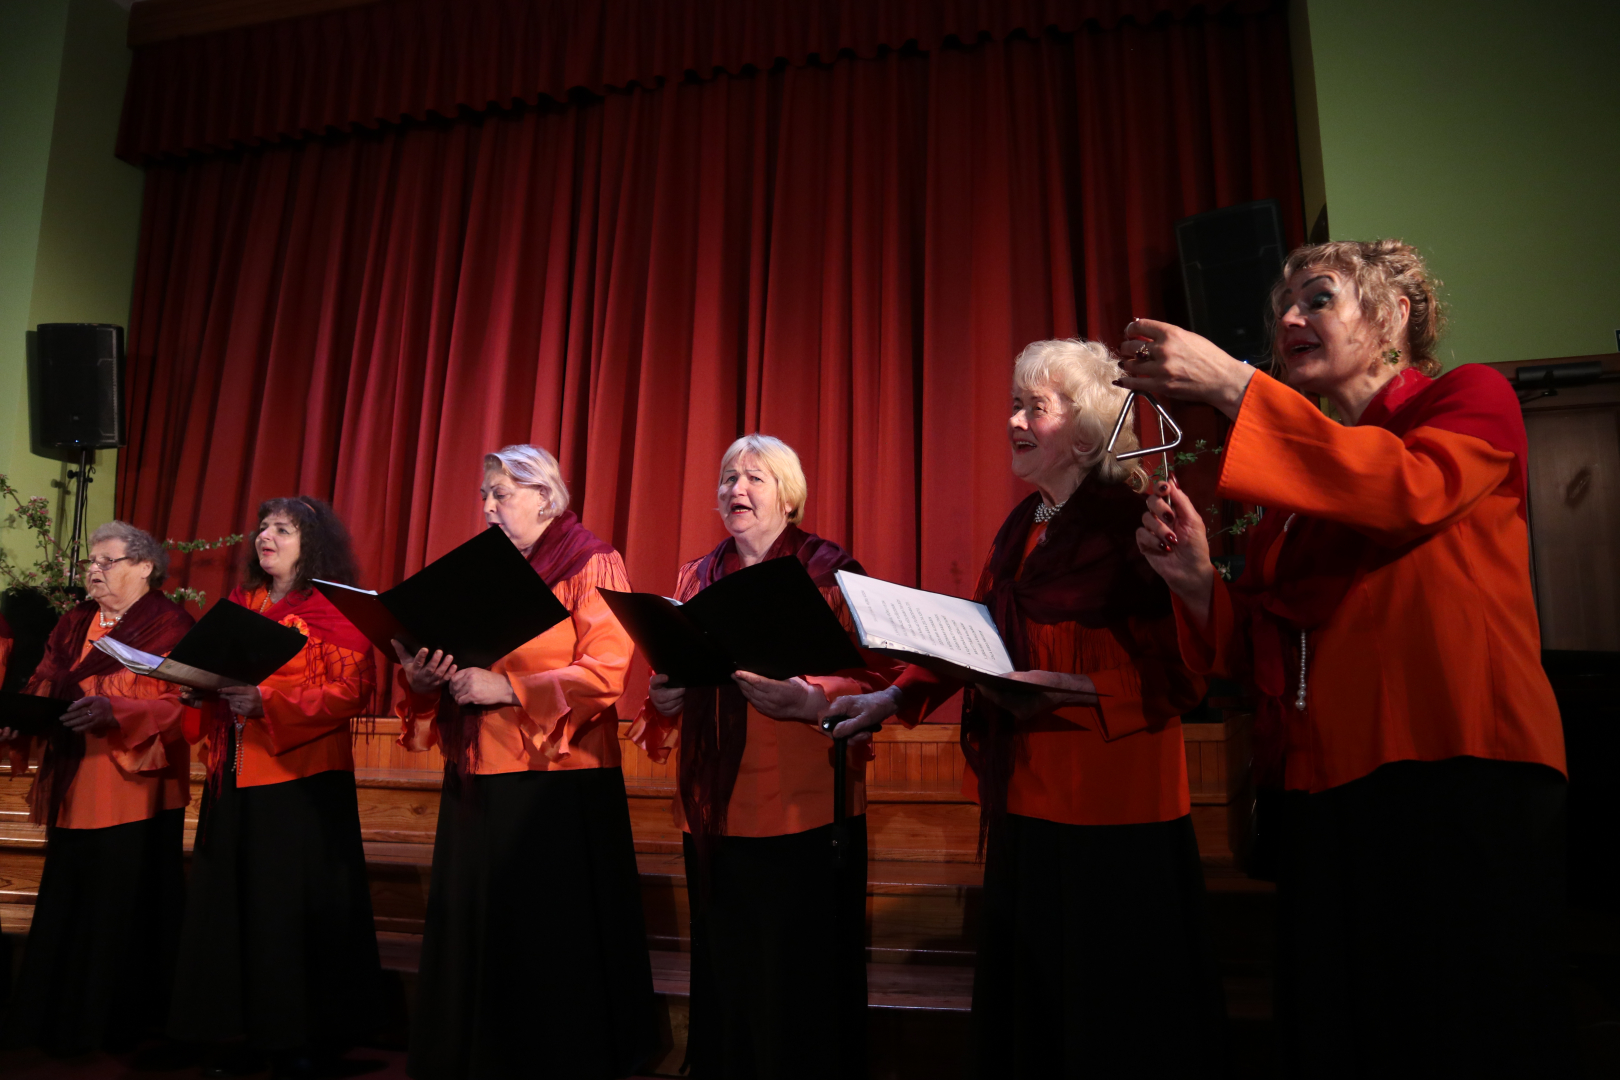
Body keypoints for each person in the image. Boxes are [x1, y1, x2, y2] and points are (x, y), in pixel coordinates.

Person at [1121, 239, 1569, 1076]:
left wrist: (1234, 385)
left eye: (1317, 298)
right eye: (1282, 308)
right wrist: (1195, 581)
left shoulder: (1468, 397)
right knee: (1342, 1032)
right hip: (1324, 789)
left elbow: (1406, 489)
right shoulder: (1294, 494)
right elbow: (1261, 650)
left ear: (1394, 315)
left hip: (1455, 765)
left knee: (1460, 1031)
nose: (1289, 318)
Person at [828, 341, 1221, 1077]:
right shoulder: (1024, 527)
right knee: (1038, 1012)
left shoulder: (1136, 524)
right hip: (1028, 797)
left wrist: (1080, 688)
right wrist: (891, 695)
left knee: (1109, 1018)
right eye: (1014, 404)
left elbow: (1187, 674)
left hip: (1113, 807)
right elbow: (977, 638)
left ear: (1086, 429)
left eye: (1034, 407)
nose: (1013, 420)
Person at [629, 433, 903, 1080]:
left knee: (799, 977)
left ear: (789, 494)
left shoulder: (830, 572)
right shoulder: (695, 577)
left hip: (804, 806)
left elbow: (879, 677)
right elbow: (674, 675)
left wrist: (810, 696)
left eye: (755, 477)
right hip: (714, 805)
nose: (737, 489)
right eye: (729, 477)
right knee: (728, 969)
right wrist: (664, 697)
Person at [394, 444, 655, 1080]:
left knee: (548, 936)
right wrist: (423, 677)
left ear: (544, 497)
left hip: (556, 779)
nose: (488, 507)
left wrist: (508, 688)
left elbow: (606, 671)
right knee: (483, 928)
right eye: (485, 495)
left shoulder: (590, 562)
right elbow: (456, 661)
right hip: (478, 770)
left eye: (501, 494)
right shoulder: (483, 569)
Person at [166, 497, 382, 1079]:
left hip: (301, 779)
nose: (266, 536)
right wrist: (195, 687)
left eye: (282, 529)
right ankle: (242, 1030)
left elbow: (351, 692)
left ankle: (300, 1037)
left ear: (312, 543)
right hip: (234, 772)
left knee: (287, 911)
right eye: (263, 527)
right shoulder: (244, 603)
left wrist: (269, 701)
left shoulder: (334, 610)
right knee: (235, 906)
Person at [0, 522, 193, 1055]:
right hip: (74, 775)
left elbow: (185, 705)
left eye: (107, 561)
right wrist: (23, 720)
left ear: (145, 567)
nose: (94, 569)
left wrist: (118, 710)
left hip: (134, 783)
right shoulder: (75, 620)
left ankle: (116, 1024)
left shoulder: (171, 624)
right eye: (91, 560)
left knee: (120, 907)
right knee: (68, 899)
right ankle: (57, 1019)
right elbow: (46, 681)